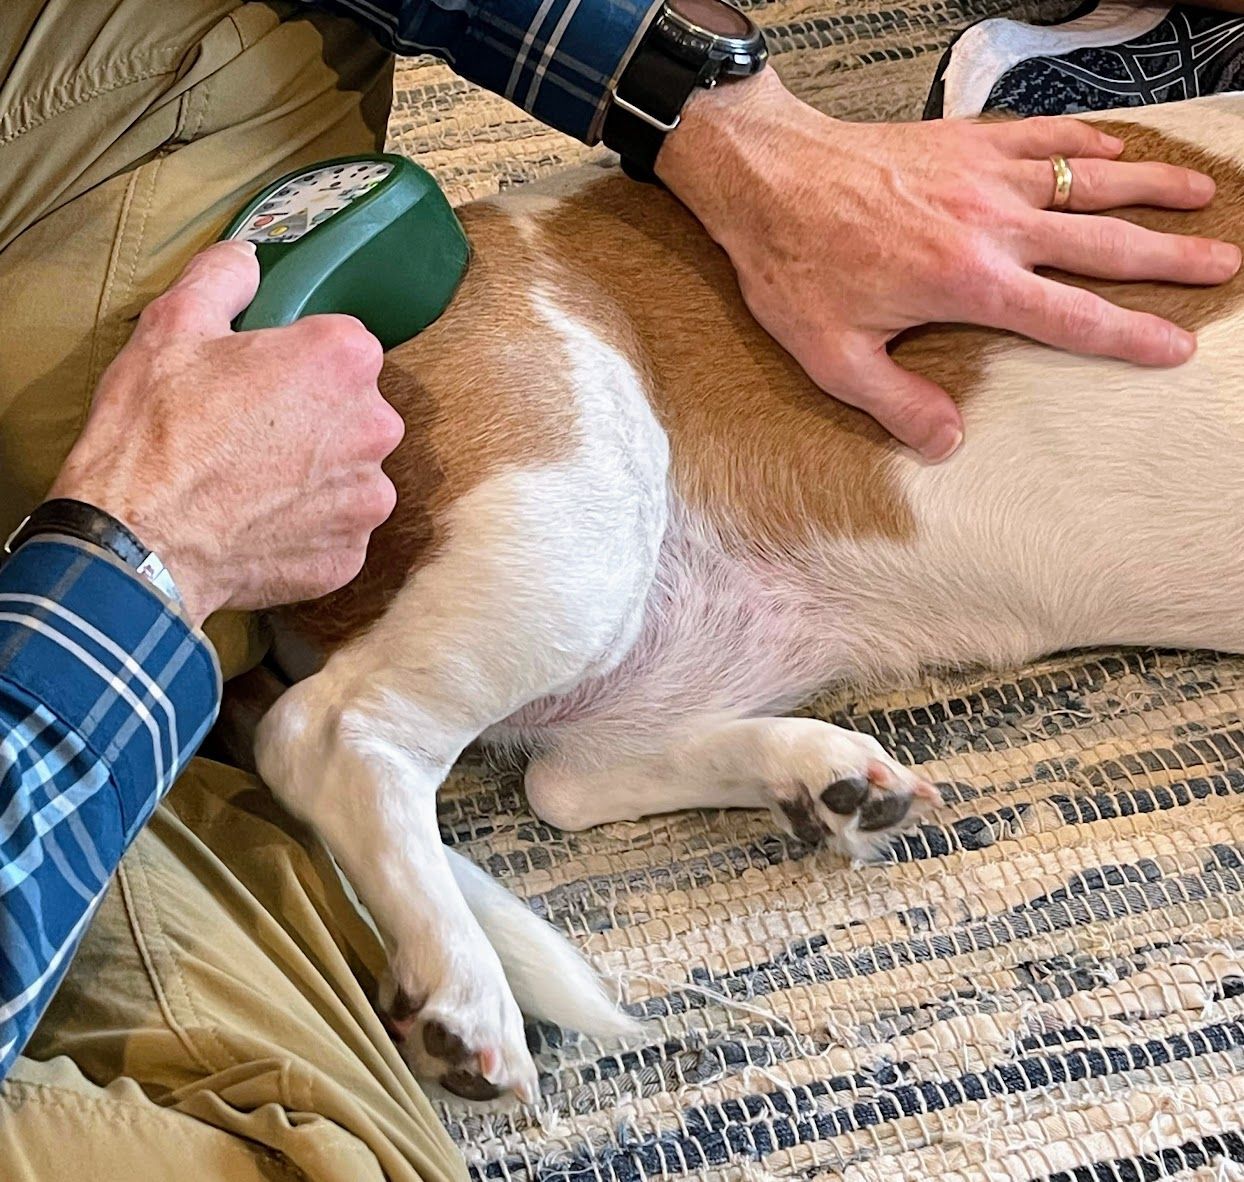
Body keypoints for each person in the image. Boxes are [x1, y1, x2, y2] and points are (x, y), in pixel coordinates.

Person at [0, 0, 1237, 1177]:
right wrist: (147, 553)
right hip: (574, 353)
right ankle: (359, 740)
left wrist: (728, 124)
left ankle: (601, 763)